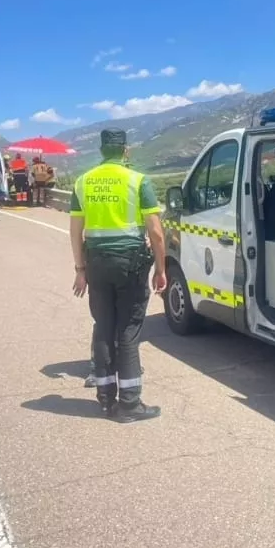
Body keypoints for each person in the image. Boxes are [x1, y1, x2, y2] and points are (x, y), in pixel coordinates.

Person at [70, 128, 166, 423]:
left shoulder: (83, 181)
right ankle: (129, 404)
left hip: (96, 264)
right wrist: (161, 270)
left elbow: (76, 231)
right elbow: (155, 231)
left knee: (103, 327)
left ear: (101, 150)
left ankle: (105, 399)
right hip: (130, 264)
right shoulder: (137, 180)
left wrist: (80, 270)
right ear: (126, 150)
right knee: (128, 331)